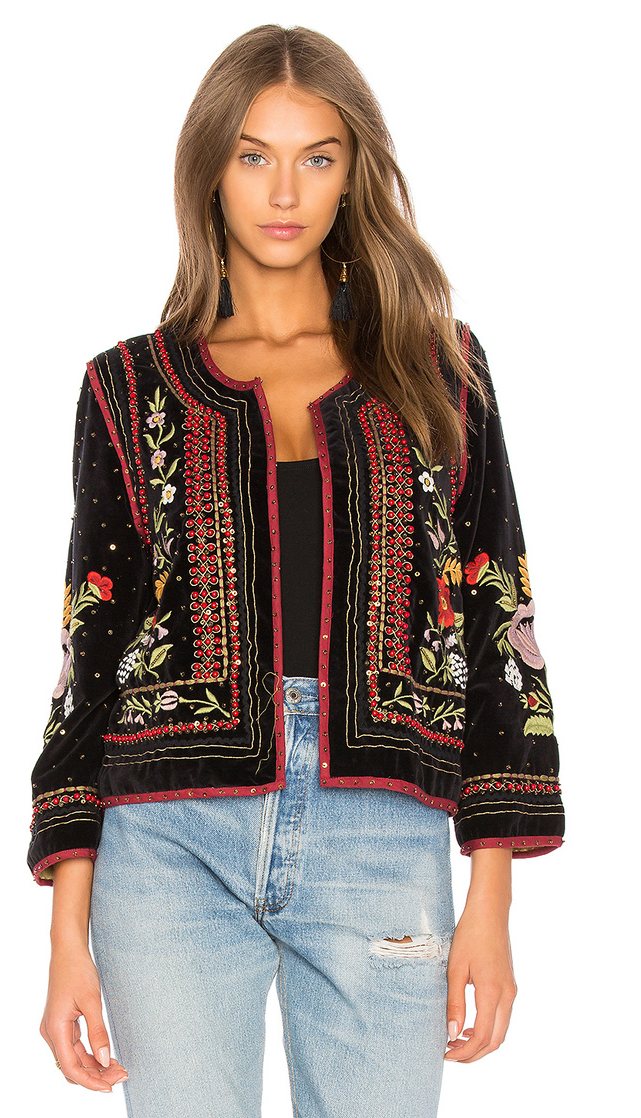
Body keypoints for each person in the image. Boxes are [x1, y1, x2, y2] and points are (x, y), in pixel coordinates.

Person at [28, 23, 565, 1118]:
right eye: (253, 155)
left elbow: (497, 608)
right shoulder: (128, 387)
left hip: (381, 830)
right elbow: (89, 648)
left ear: (352, 172)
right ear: (210, 171)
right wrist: (65, 936)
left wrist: (491, 897)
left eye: (316, 157)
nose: (284, 191)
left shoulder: (437, 366)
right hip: (166, 837)